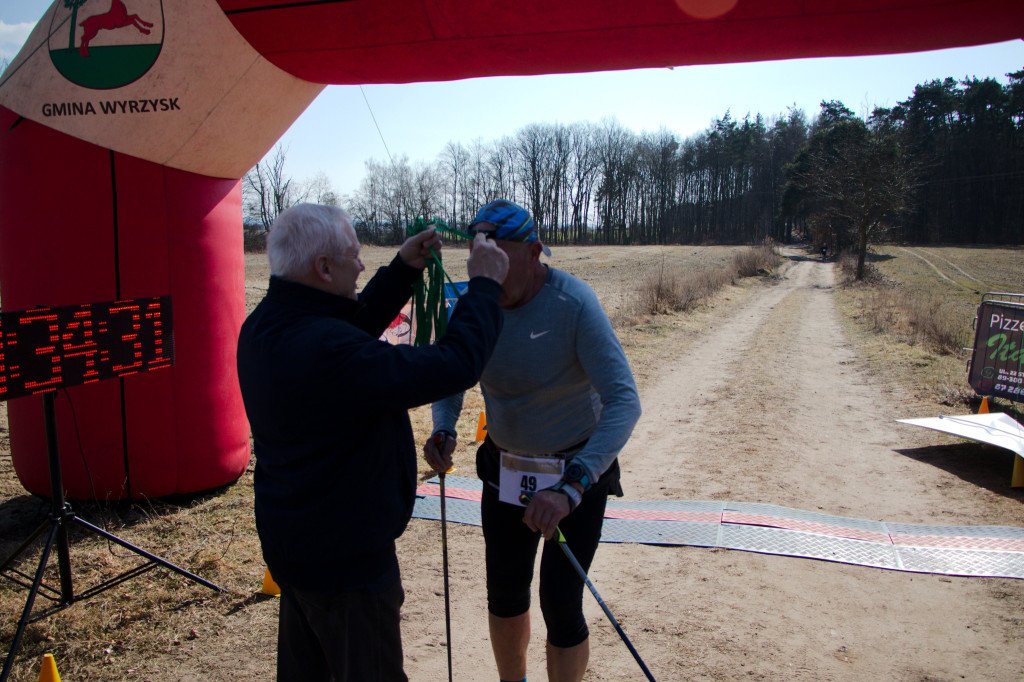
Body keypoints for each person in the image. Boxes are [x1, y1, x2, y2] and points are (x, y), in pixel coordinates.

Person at [236, 203, 509, 681]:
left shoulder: (266, 326)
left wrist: (401, 271)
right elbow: (455, 364)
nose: (362, 265)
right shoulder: (328, 351)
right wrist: (483, 287)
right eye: (354, 256)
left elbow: (341, 330)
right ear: (323, 268)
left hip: (297, 552)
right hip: (348, 571)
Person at [423, 200, 642, 682]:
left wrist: (574, 485)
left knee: (560, 602)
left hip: (575, 475)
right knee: (504, 593)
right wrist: (444, 427)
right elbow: (452, 376)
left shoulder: (573, 303)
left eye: (498, 263)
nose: (488, 277)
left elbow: (624, 400)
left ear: (534, 252)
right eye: (480, 265)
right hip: (505, 467)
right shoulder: (474, 304)